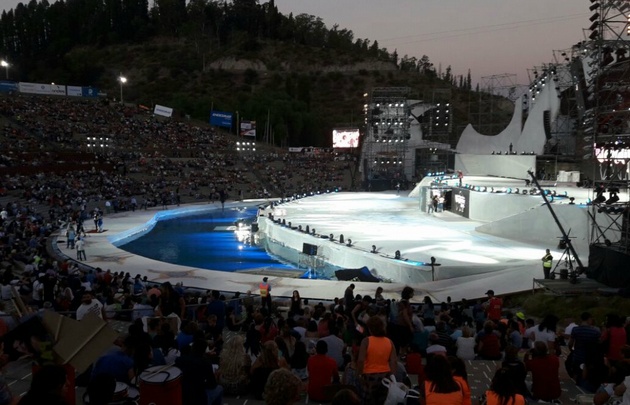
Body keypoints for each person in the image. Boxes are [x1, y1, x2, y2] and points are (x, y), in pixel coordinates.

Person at [357, 315, 397, 405]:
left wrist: (359, 374)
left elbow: (360, 360)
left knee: (367, 401)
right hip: (385, 375)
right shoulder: (389, 342)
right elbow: (393, 361)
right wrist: (393, 377)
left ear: (370, 328)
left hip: (369, 375)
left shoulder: (366, 341)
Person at [175, 338, 224, 405]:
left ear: (192, 348)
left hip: (184, 396)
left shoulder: (181, 360)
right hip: (199, 398)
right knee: (219, 388)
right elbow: (212, 384)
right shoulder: (205, 363)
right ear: (204, 351)